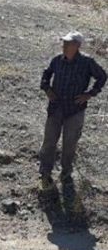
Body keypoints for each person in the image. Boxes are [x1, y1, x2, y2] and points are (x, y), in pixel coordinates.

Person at [39, 31, 106, 189]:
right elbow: (46, 74)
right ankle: (45, 171)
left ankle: (66, 173)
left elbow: (102, 76)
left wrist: (89, 94)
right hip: (55, 108)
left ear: (77, 46)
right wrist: (47, 88)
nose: (64, 46)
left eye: (68, 43)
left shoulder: (87, 62)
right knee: (49, 141)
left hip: (75, 110)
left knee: (69, 144)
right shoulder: (57, 60)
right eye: (64, 43)